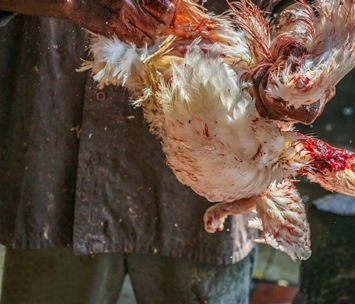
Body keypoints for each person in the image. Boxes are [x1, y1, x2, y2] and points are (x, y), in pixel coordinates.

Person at [0, 0, 317, 303]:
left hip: (208, 170)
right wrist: (71, 4)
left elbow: (309, 7)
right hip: (52, 157)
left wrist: (301, 54)